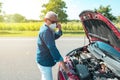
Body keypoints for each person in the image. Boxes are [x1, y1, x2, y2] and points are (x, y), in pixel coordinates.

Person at [36, 11, 69, 80]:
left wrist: (59, 29)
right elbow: (52, 47)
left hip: (44, 58)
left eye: (56, 22)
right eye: (53, 22)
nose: (55, 24)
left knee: (45, 77)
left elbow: (55, 36)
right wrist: (62, 63)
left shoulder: (48, 28)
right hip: (44, 60)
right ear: (46, 20)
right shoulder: (46, 31)